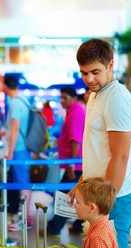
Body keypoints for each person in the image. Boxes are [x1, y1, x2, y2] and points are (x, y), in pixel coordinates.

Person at [68, 38, 131, 248]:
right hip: (99, 195)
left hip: (113, 199)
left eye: (95, 72)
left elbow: (120, 157)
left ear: (110, 65)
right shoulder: (96, 96)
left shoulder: (116, 98)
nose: (89, 79)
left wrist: (103, 207)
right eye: (84, 73)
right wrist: (82, 183)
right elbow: (96, 150)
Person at [0, 74, 33, 231]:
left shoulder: (14, 103)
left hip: (19, 149)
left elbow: (15, 128)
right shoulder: (23, 100)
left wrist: (11, 151)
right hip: (24, 147)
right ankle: (25, 217)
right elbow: (14, 128)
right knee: (23, 181)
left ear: (5, 85)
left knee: (23, 183)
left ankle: (25, 220)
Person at [45, 86, 85, 236]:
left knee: (64, 196)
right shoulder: (73, 112)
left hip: (76, 164)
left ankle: (54, 228)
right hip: (78, 163)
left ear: (74, 99)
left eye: (65, 98)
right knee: (80, 196)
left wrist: (71, 165)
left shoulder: (75, 113)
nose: (62, 101)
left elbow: (75, 141)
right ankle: (78, 227)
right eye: (61, 98)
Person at [74, 177, 120, 248]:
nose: (74, 205)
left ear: (92, 208)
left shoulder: (98, 239)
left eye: (77, 202)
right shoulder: (101, 225)